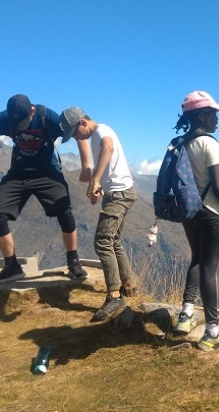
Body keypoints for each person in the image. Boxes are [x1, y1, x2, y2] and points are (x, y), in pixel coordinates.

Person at [0, 94, 87, 283]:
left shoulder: (47, 117)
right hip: (18, 173)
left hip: (47, 172)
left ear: (32, 111)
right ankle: (12, 267)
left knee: (64, 212)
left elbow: (76, 132)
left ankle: (73, 262)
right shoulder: (5, 118)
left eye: (23, 123)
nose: (20, 128)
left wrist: (86, 167)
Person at [170, 91, 219, 351]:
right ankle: (212, 331)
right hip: (211, 213)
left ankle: (186, 315)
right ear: (202, 115)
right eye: (213, 114)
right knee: (210, 270)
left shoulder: (180, 143)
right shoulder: (209, 144)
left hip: (189, 212)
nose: (217, 119)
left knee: (197, 259)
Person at [59, 107, 138, 322]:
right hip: (120, 192)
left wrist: (95, 180)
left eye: (75, 133)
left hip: (119, 195)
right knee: (114, 241)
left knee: (102, 241)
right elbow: (109, 163)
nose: (76, 138)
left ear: (83, 123)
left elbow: (108, 148)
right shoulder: (97, 134)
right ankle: (129, 286)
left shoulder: (102, 131)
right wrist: (97, 185)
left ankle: (115, 296)